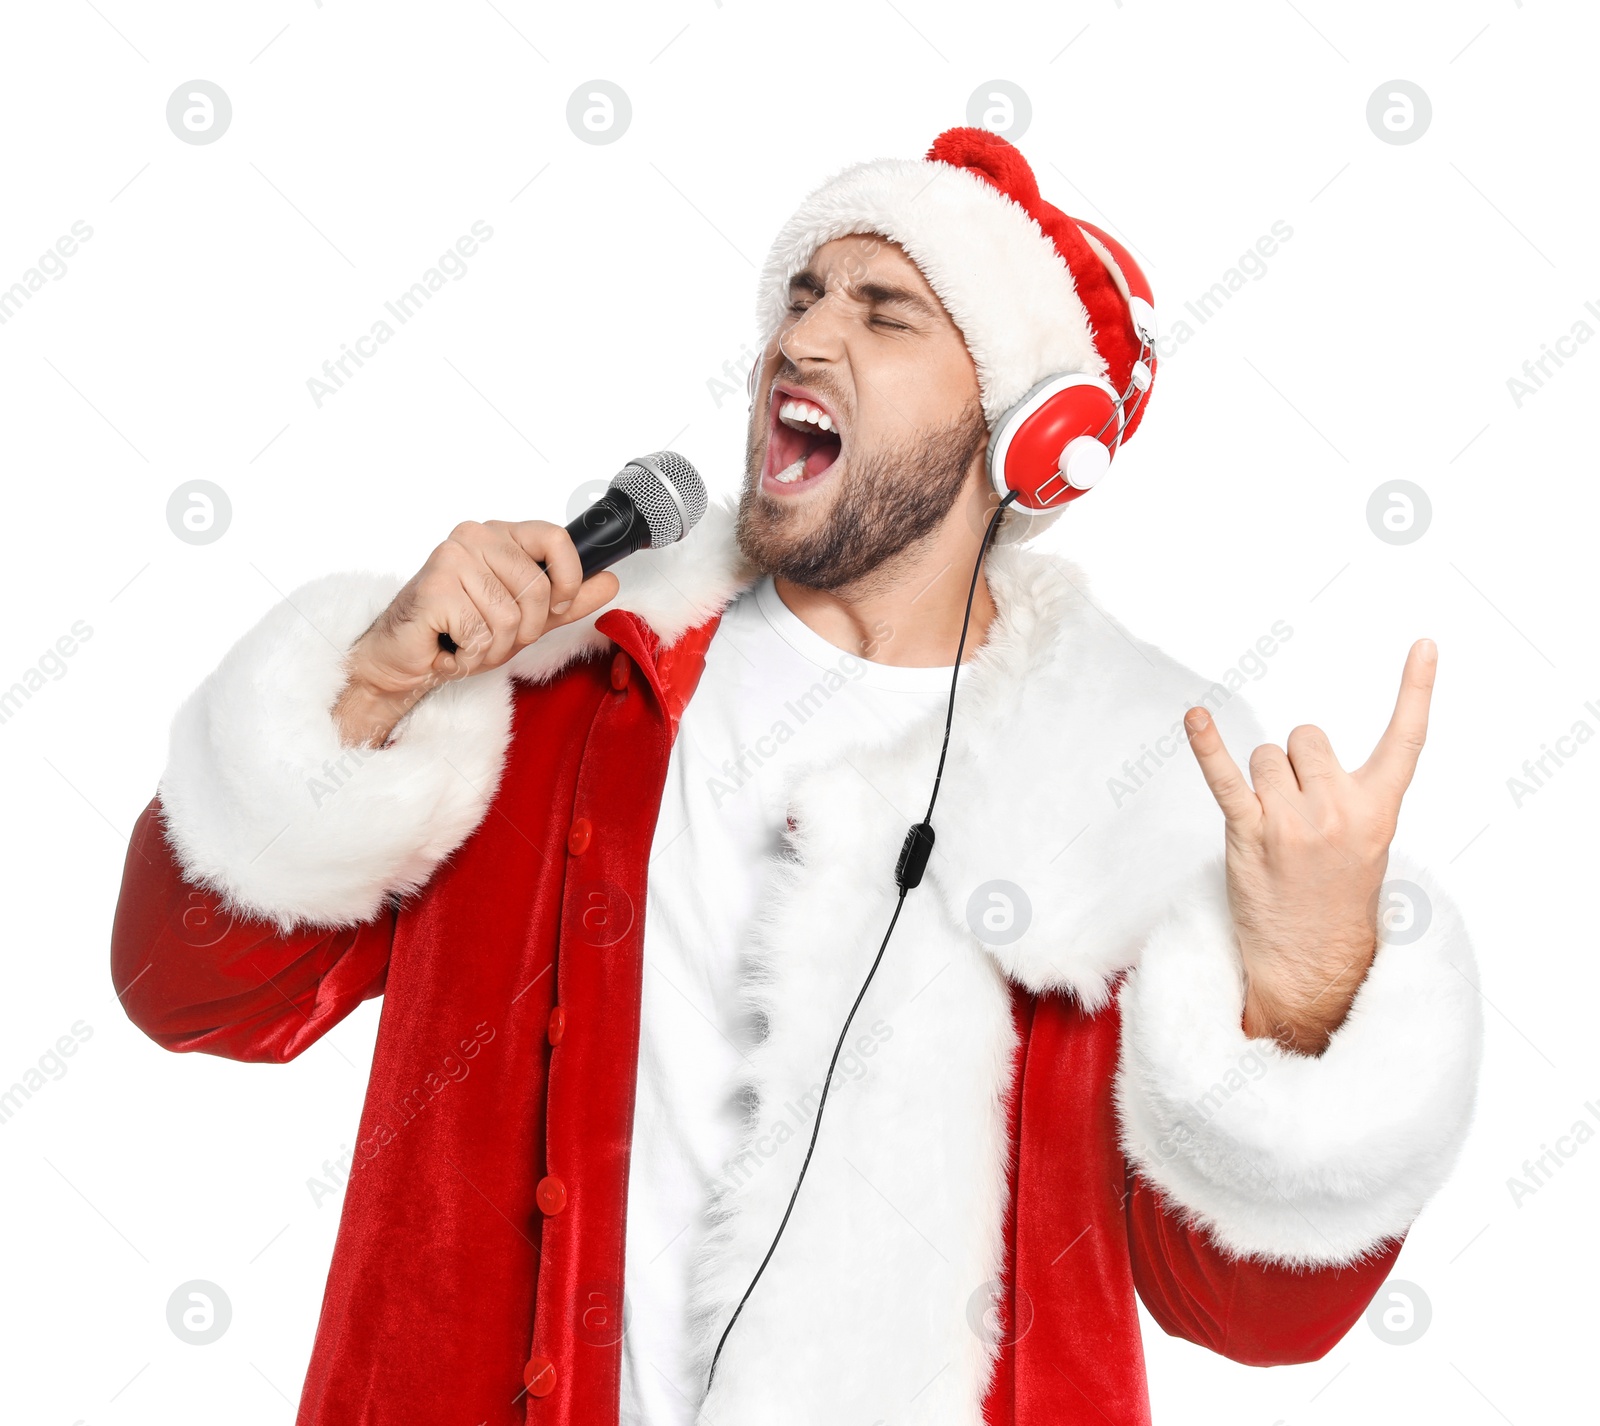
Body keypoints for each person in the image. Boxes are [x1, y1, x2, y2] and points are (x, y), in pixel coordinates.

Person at [111, 127, 1483, 1426]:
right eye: (804, 294)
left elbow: (1248, 1314)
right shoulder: (560, 676)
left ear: (1018, 431)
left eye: (888, 314)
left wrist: (1303, 997)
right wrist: (368, 690)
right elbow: (191, 993)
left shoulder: (1129, 777)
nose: (804, 336)